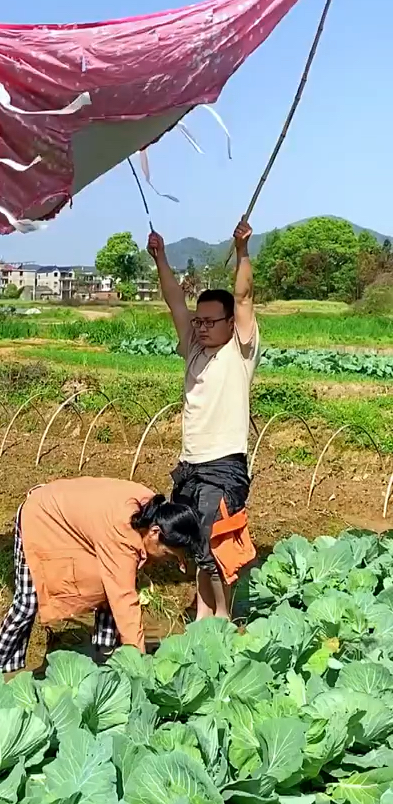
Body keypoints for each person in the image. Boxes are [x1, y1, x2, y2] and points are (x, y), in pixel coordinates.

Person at [147, 219, 259, 620]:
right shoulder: (194, 349)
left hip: (224, 464)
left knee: (217, 541)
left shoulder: (239, 352)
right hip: (190, 465)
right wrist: (160, 258)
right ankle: (203, 618)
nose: (203, 327)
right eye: (200, 321)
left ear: (231, 324)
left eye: (212, 321)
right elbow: (175, 300)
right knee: (195, 545)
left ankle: (224, 621)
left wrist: (242, 250)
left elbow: (243, 296)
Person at [0, 477, 202, 673]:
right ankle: (0, 667)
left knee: (109, 583)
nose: (165, 561)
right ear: (155, 532)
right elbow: (124, 599)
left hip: (74, 521)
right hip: (41, 516)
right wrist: (138, 662)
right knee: (28, 601)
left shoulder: (152, 510)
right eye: (168, 554)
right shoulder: (123, 528)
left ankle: (105, 654)